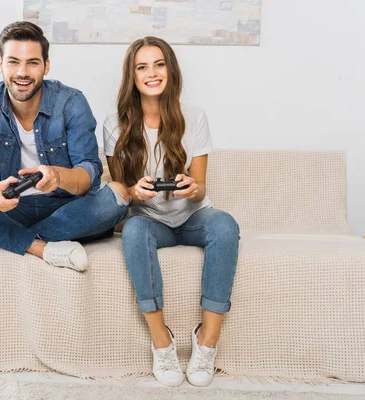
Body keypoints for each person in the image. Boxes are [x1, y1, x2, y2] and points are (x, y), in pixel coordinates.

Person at [0, 21, 129, 271]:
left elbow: (88, 172)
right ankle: (38, 247)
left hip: (64, 208)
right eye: (13, 61)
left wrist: (58, 176)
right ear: (0, 64)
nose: (22, 72)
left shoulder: (72, 101)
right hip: (9, 207)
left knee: (118, 195)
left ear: (46, 66)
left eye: (32, 62)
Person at [103, 37, 240, 387]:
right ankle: (161, 342)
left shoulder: (194, 118)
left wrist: (194, 188)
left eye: (159, 64)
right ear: (131, 76)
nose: (152, 73)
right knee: (133, 232)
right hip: (149, 220)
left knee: (225, 225)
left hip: (193, 217)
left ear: (171, 69)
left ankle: (206, 341)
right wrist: (135, 191)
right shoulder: (114, 126)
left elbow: (201, 186)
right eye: (142, 66)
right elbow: (120, 196)